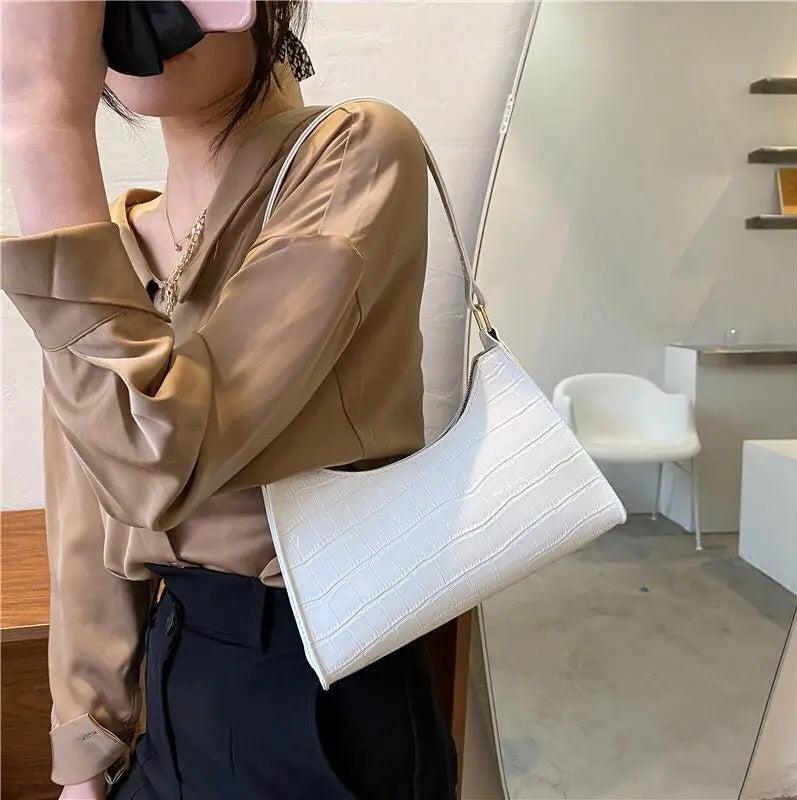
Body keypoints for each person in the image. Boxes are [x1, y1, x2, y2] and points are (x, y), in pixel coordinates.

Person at [0, 2, 458, 798]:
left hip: (317, 683)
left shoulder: (355, 151)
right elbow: (89, 515)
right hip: (179, 670)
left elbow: (156, 464)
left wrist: (41, 120)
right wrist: (85, 750)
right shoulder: (109, 245)